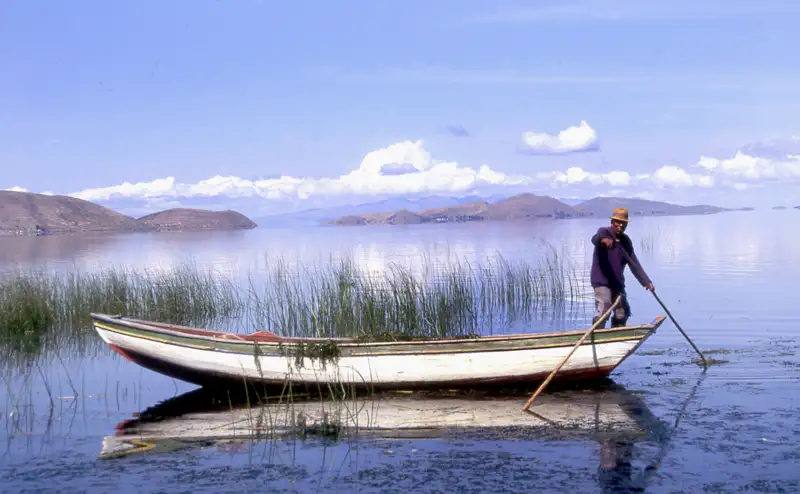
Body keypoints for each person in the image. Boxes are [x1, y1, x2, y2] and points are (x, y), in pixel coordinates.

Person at [590, 207, 654, 328]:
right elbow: (595, 239)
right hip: (602, 281)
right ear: (612, 222)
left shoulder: (625, 241)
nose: (620, 225)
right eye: (617, 222)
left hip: (617, 283)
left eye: (623, 223)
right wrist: (604, 240)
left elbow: (634, 263)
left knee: (622, 313)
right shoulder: (604, 232)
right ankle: (596, 339)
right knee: (604, 309)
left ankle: (616, 338)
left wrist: (646, 282)